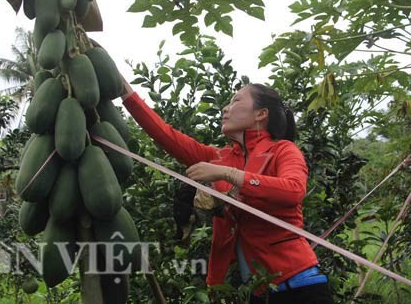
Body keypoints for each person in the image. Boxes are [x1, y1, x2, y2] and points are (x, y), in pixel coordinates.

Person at [120, 79, 333, 304]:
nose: (225, 108)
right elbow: (165, 134)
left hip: (302, 287)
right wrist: (123, 90)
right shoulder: (219, 158)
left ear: (261, 114)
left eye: (236, 100)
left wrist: (228, 174)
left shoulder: (283, 150)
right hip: (257, 292)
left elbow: (293, 190)